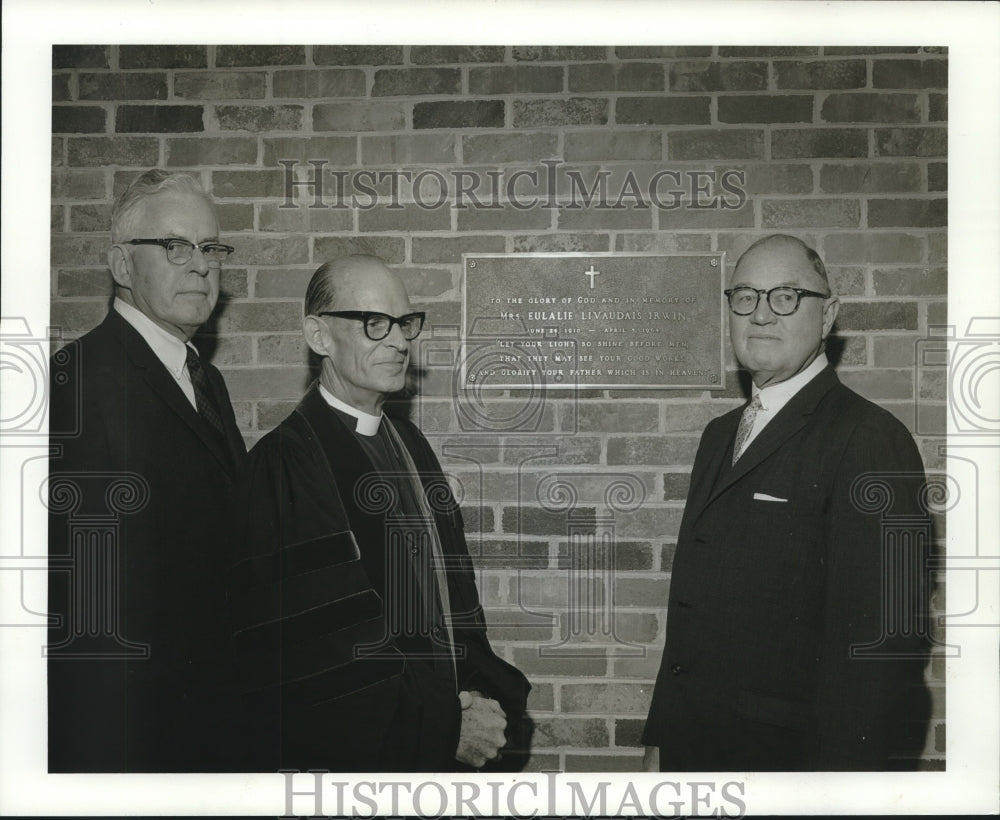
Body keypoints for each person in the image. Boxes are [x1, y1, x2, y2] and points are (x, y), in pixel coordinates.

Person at [641, 234, 931, 771]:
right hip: (695, 754)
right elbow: (694, 609)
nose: (762, 314)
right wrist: (663, 742)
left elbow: (883, 651)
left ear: (828, 316)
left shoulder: (869, 437)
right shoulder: (719, 434)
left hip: (789, 765)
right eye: (745, 297)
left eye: (786, 296)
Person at [230, 254, 530, 772]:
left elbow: (452, 599)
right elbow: (314, 657)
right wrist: (440, 725)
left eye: (405, 324)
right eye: (375, 324)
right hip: (361, 759)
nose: (399, 341)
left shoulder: (410, 443)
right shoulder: (286, 465)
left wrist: (477, 693)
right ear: (319, 336)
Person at [47, 170, 246, 772]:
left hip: (209, 724)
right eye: (176, 246)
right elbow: (82, 604)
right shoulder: (79, 379)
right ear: (122, 264)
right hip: (132, 739)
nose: (201, 266)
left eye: (210, 248)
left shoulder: (204, 379)